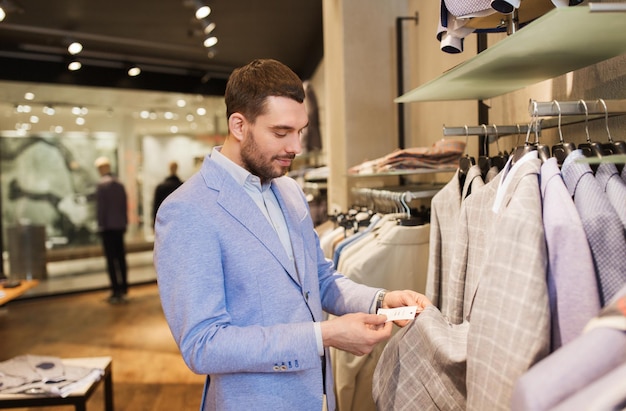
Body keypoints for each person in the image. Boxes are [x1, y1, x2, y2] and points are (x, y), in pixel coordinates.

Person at [153, 59, 432, 411]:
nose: (296, 146)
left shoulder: (288, 191)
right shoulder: (187, 210)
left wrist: (380, 300)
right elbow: (203, 345)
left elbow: (319, 278)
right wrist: (325, 335)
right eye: (281, 132)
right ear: (239, 125)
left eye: (300, 131)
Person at [94, 156, 129, 304]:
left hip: (108, 227)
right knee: (121, 258)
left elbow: (101, 209)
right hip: (119, 226)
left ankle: (116, 290)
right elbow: (124, 206)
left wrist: (100, 224)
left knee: (111, 260)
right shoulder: (119, 184)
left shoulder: (102, 186)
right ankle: (124, 287)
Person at [152, 161, 183, 227]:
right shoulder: (182, 186)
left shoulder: (161, 187)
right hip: (179, 222)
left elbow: (156, 208)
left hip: (164, 223)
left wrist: (154, 224)